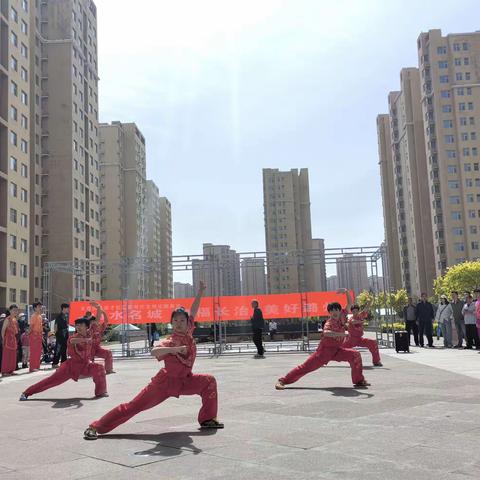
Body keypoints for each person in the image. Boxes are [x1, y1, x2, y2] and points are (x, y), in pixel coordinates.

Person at [83, 281, 223, 440]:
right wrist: (174, 350)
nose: (179, 323)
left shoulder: (188, 332)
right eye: (175, 321)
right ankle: (95, 426)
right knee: (133, 407)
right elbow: (154, 351)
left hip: (185, 381)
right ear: (171, 323)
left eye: (182, 321)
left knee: (209, 381)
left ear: (187, 323)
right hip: (164, 383)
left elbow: (194, 309)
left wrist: (200, 291)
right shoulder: (169, 341)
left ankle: (207, 419)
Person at [275, 289, 369, 390]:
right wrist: (341, 334)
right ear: (329, 312)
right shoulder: (329, 323)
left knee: (355, 355)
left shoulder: (342, 317)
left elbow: (350, 304)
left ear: (339, 310)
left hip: (337, 350)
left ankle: (358, 381)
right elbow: (326, 333)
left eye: (336, 310)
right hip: (323, 353)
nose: (334, 312)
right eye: (332, 310)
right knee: (305, 367)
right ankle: (283, 381)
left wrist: (346, 292)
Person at [19, 317, 107, 401]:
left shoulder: (89, 333)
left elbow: (96, 321)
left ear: (87, 327)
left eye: (81, 325)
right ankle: (26, 393)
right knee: (50, 381)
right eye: (77, 325)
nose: (78, 327)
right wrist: (84, 340)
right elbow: (73, 341)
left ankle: (101, 391)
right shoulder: (74, 337)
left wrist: (99, 308)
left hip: (85, 365)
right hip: (70, 367)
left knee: (99, 367)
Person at [87, 302, 114, 374]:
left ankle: (109, 370)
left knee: (108, 353)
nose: (95, 322)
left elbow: (106, 321)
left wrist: (104, 313)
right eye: (93, 321)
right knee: (89, 362)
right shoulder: (90, 328)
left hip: (97, 348)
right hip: (88, 348)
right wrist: (98, 307)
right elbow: (98, 318)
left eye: (94, 321)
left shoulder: (99, 328)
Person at [1, 305, 20, 376]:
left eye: (16, 310)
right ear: (10, 311)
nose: (15, 311)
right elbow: (3, 331)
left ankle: (11, 370)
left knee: (13, 356)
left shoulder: (15, 320)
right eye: (14, 310)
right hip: (7, 340)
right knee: (6, 356)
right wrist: (3, 340)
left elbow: (16, 331)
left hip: (13, 340)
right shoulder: (7, 319)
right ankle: (4, 371)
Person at [52, 303, 70, 367]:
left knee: (64, 349)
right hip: (60, 335)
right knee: (58, 349)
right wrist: (56, 334)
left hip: (65, 335)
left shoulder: (65, 316)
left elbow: (66, 326)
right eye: (67, 308)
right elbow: (56, 326)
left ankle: (64, 363)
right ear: (64, 308)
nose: (68, 309)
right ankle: (55, 363)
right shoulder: (59, 316)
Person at [29, 302, 44, 372]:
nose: (40, 308)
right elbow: (31, 326)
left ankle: (37, 366)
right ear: (35, 308)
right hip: (34, 335)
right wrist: (28, 334)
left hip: (39, 335)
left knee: (38, 351)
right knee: (34, 352)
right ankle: (32, 367)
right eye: (39, 307)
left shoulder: (40, 316)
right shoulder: (33, 316)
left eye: (41, 307)